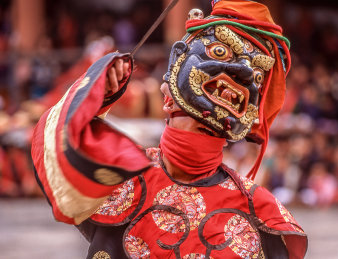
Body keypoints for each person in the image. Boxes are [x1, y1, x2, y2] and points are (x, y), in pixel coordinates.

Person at [31, 1, 308, 258]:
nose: (244, 75)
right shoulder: (124, 178)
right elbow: (52, 147)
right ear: (167, 97)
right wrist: (94, 93)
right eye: (219, 52)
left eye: (256, 74)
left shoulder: (258, 207)